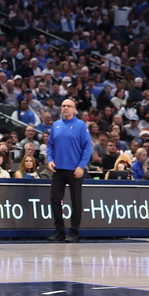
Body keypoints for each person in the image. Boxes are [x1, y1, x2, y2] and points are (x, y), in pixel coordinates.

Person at [47, 98, 92, 243]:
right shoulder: (56, 125)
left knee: (75, 201)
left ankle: (74, 232)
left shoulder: (80, 125)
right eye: (63, 106)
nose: (66, 108)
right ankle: (59, 230)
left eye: (69, 106)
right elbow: (50, 146)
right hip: (58, 169)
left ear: (74, 109)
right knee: (55, 199)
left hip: (75, 170)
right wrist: (49, 160)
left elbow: (87, 147)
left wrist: (81, 166)